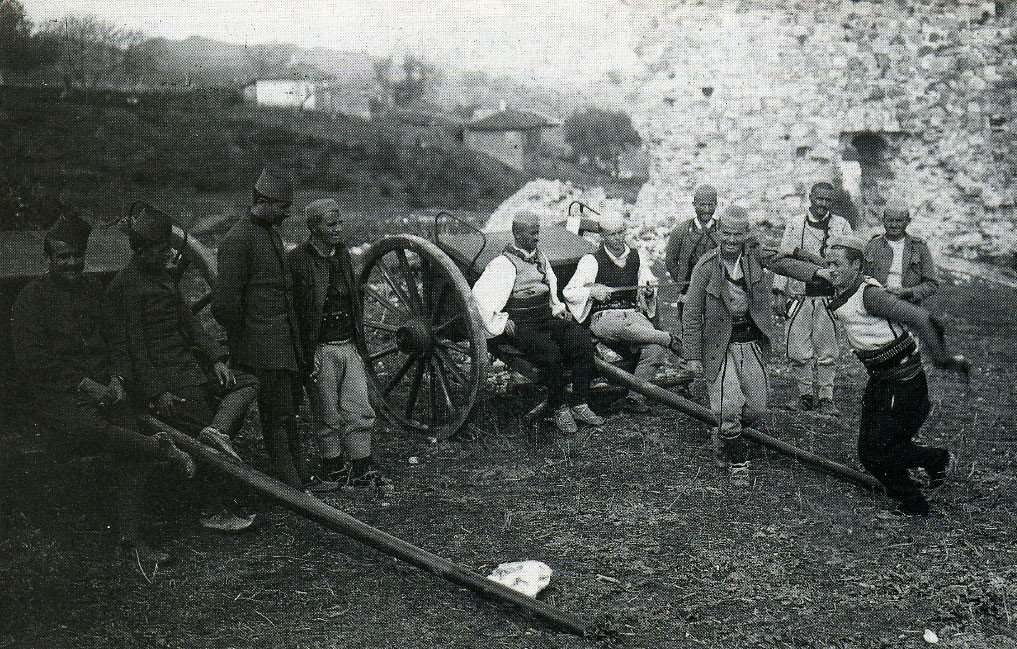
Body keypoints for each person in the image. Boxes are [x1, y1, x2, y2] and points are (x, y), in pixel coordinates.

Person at [11, 213, 196, 567]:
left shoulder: (95, 290)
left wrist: (116, 379)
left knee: (128, 439)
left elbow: (117, 339)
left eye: (76, 255)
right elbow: (33, 361)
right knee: (91, 429)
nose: (71, 263)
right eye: (62, 257)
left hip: (107, 390)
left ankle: (130, 540)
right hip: (58, 394)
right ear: (48, 258)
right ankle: (161, 448)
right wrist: (85, 384)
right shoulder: (31, 299)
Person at [773, 233, 969, 515]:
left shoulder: (870, 295)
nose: (831, 270)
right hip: (881, 379)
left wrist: (943, 360)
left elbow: (920, 318)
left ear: (857, 266)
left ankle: (914, 503)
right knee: (872, 450)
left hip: (904, 382)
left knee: (878, 454)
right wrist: (782, 253)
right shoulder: (839, 282)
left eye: (838, 264)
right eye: (829, 264)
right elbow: (797, 267)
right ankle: (936, 460)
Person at [105, 203, 259, 530]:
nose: (168, 255)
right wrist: (157, 393)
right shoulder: (126, 286)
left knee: (246, 383)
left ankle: (217, 431)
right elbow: (134, 348)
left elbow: (189, 321)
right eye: (161, 249)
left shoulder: (160, 275)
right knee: (198, 430)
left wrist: (216, 359)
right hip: (167, 378)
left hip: (189, 367)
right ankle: (212, 510)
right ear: (141, 249)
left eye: (168, 248)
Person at [213, 169, 321, 490]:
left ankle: (299, 477)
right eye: (283, 207)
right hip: (259, 349)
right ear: (264, 202)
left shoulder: (270, 232)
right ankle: (291, 484)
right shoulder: (238, 240)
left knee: (287, 411)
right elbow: (224, 305)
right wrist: (248, 338)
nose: (287, 213)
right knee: (276, 416)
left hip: (282, 345)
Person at [289, 198, 391, 493]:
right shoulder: (297, 261)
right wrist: (307, 353)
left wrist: (358, 344)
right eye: (331, 224)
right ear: (313, 227)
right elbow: (295, 312)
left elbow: (354, 303)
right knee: (327, 412)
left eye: (340, 223)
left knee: (359, 407)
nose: (338, 229)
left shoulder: (343, 255)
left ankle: (361, 466)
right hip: (321, 350)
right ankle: (332, 468)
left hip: (348, 345)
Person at [472, 210, 605, 434]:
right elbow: (480, 299)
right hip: (522, 325)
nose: (537, 237)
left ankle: (580, 403)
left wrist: (557, 308)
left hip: (544, 318)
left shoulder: (540, 259)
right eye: (532, 233)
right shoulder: (502, 264)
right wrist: (502, 321)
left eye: (538, 232)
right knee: (551, 354)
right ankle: (559, 407)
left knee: (581, 340)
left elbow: (550, 286)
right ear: (518, 234)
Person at [681, 206, 779, 486]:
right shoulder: (706, 266)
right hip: (718, 346)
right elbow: (691, 313)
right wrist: (692, 355)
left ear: (746, 234)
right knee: (728, 405)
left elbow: (784, 263)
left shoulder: (754, 259)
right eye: (726, 234)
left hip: (749, 341)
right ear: (719, 232)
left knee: (757, 407)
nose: (732, 240)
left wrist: (819, 272)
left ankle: (725, 433)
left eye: (738, 235)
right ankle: (738, 462)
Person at [563, 210, 680, 413]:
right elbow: (569, 292)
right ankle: (667, 338)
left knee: (655, 350)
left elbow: (648, 283)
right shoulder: (591, 260)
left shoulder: (636, 256)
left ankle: (634, 398)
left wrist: (648, 291)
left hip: (633, 315)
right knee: (622, 326)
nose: (617, 238)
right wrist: (592, 291)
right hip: (604, 318)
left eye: (620, 232)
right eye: (611, 234)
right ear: (602, 235)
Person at [773, 181, 852, 417]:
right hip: (800, 296)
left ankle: (826, 397)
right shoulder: (795, 224)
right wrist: (779, 291)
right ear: (810, 198)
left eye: (827, 200)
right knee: (798, 349)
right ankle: (805, 395)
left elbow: (849, 261)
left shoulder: (841, 225)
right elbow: (782, 260)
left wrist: (844, 290)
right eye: (819, 199)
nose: (822, 204)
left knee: (827, 350)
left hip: (827, 297)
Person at [863, 201, 939, 304]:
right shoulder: (872, 245)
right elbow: (862, 278)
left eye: (899, 221)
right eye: (890, 220)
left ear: (908, 221)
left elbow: (931, 284)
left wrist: (908, 292)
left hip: (908, 304)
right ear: (883, 220)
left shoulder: (919, 247)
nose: (894, 225)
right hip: (877, 302)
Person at [665, 184, 720, 319]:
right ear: (694, 205)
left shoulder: (722, 230)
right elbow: (670, 261)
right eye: (702, 205)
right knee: (689, 326)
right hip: (688, 291)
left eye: (711, 205)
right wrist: (682, 280)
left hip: (716, 292)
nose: (706, 210)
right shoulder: (681, 231)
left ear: (716, 205)